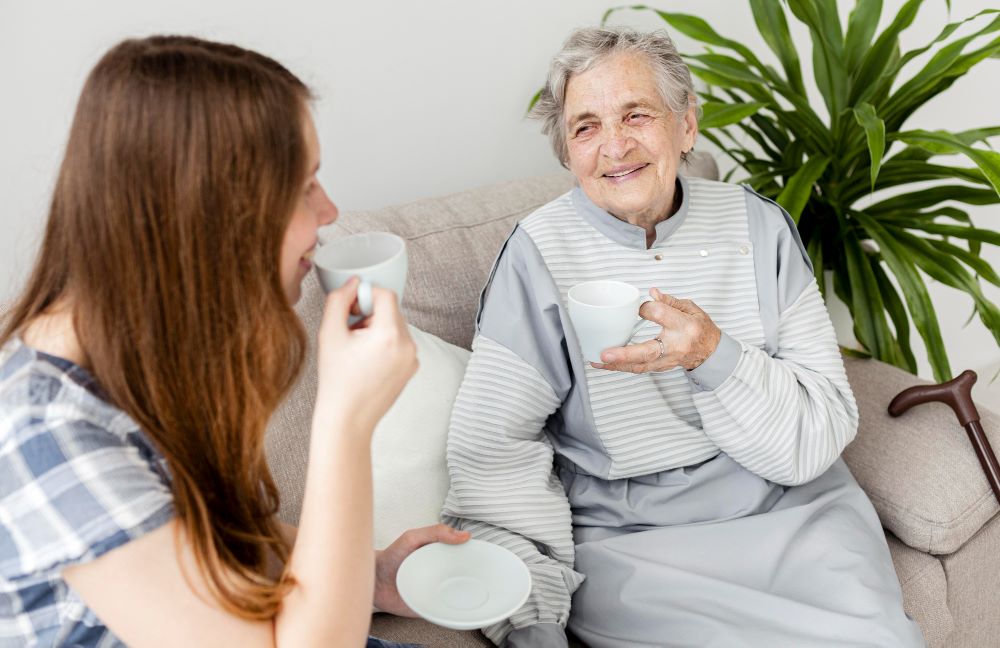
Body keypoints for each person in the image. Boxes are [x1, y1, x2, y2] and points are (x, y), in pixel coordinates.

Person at [442, 26, 925, 647]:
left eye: (636, 114)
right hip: (635, 541)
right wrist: (531, 618)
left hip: (794, 513)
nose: (613, 146)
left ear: (686, 125)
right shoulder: (537, 253)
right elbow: (493, 453)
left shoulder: (760, 227)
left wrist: (713, 356)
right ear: (566, 151)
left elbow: (819, 429)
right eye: (585, 127)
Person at [0, 36, 468, 648]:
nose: (329, 211)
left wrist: (371, 576)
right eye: (303, 187)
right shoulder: (49, 436)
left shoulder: (151, 353)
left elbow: (226, 532)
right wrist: (344, 419)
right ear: (211, 217)